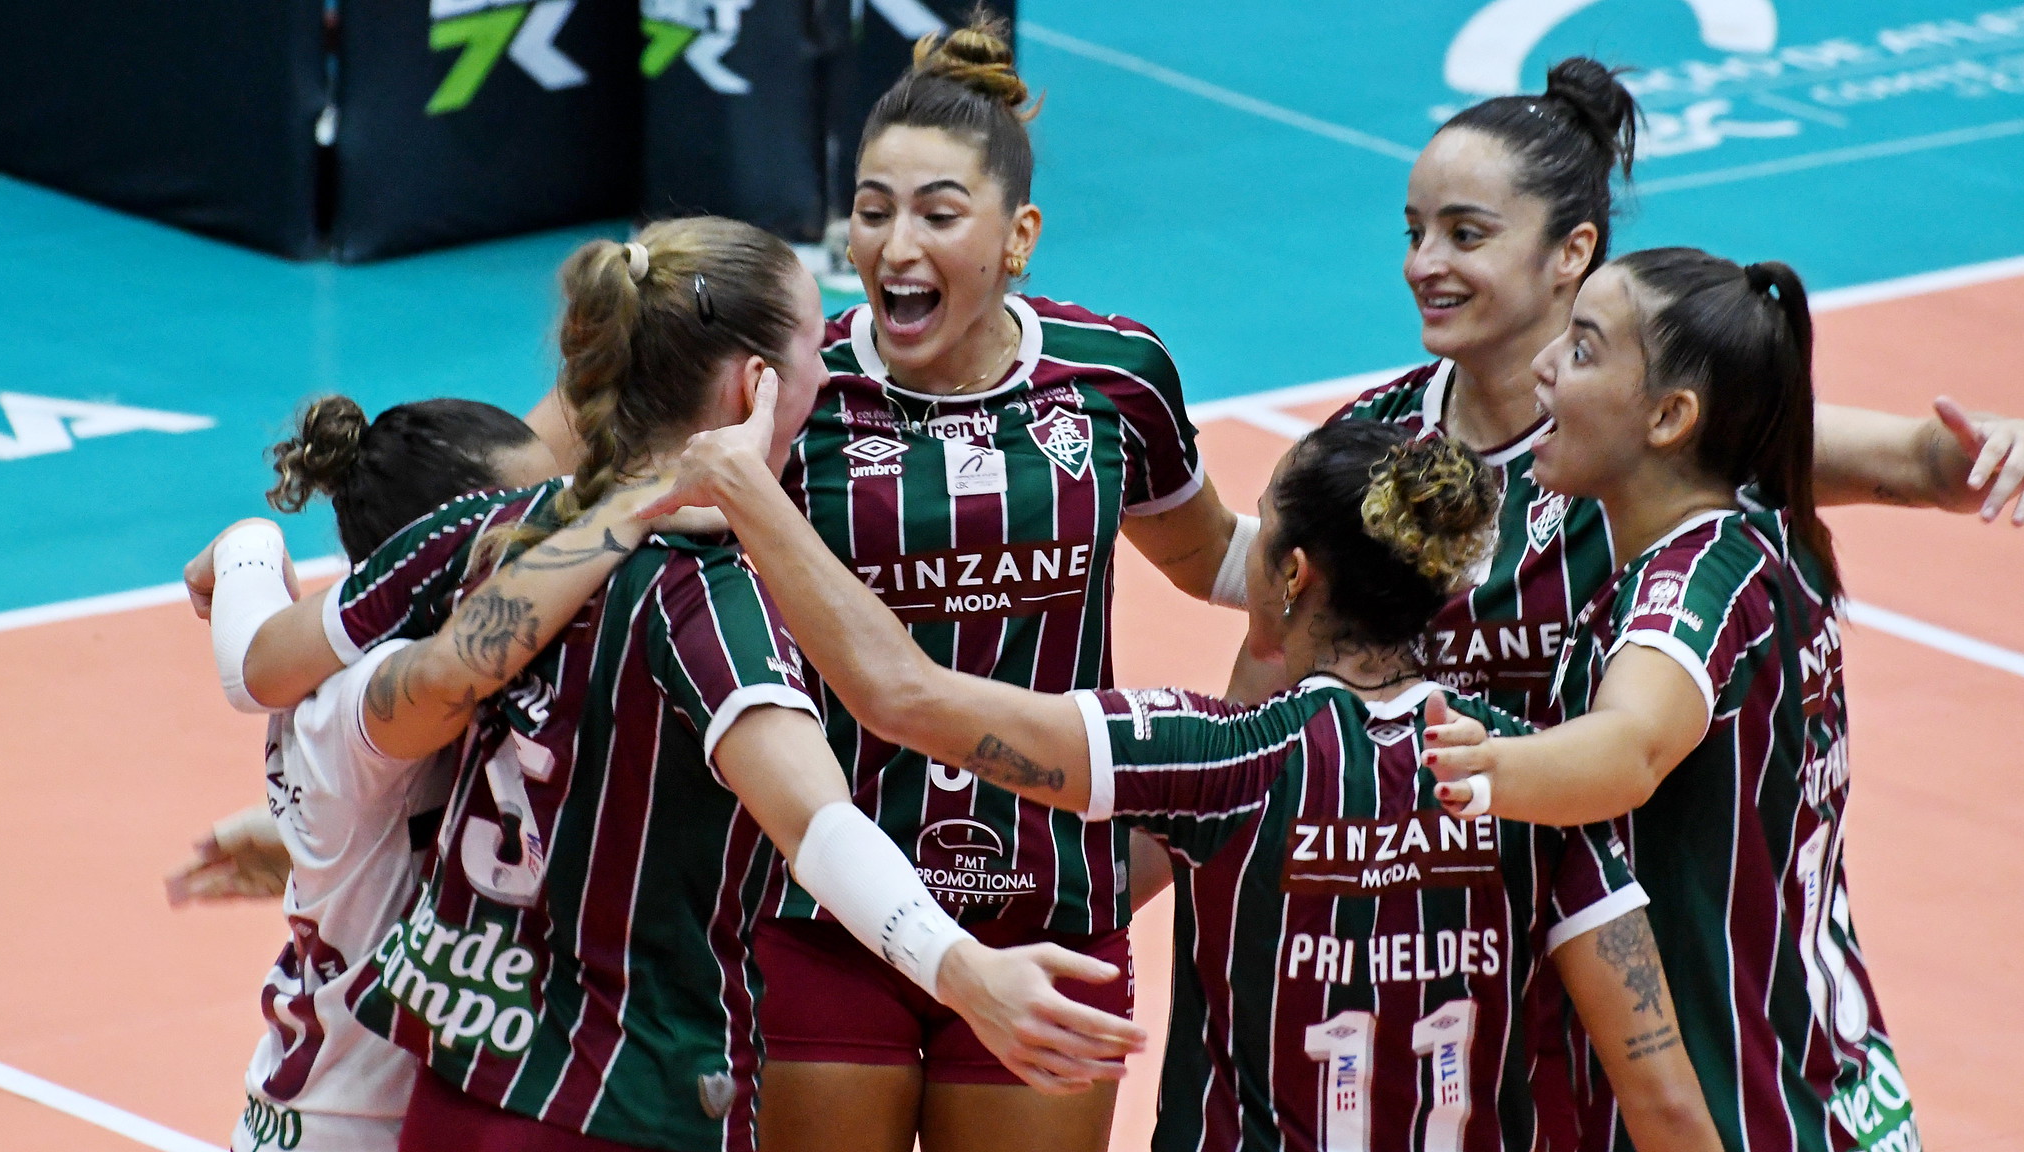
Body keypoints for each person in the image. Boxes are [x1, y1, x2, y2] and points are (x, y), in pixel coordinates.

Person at [237, 215, 1147, 1152]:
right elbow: (816, 823)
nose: (830, 375)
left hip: (456, 1088)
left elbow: (263, 664)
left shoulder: (489, 528)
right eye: (813, 350)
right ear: (754, 386)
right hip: (629, 1100)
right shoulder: (702, 596)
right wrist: (962, 970)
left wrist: (243, 553)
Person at [634, 379, 1727, 1152]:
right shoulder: (1534, 778)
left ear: (1289, 578)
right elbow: (1666, 1104)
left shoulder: (1228, 755)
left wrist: (747, 489)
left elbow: (902, 698)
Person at [528, 15, 1245, 1151]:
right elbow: (561, 476)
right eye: (871, 210)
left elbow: (1232, 568)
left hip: (1052, 914)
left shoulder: (1115, 376)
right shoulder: (787, 385)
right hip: (820, 913)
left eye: (938, 214)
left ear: (1018, 236)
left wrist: (1389, 566)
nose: (895, 245)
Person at [1233, 58, 2024, 718]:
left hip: (1638, 857)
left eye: (1465, 235)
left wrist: (2000, 447)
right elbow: (1263, 684)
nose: (1421, 264)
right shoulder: (1368, 445)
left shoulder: (1671, 426)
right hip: (1452, 862)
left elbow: (1927, 462)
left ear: (1571, 251)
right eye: (1415, 232)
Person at [1425, 250, 1917, 1152]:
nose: (1542, 365)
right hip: (1832, 1080)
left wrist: (1473, 766)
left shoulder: (1689, 589)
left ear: (1668, 417)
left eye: (1580, 349)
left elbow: (1630, 748)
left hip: (1740, 1110)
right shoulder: (1768, 535)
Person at [178, 394, 657, 1152]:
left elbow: (253, 619)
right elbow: (435, 672)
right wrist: (633, 506)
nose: (557, 533)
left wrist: (246, 547)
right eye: (534, 522)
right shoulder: (366, 691)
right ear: (437, 557)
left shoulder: (343, 660)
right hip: (354, 1127)